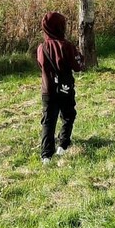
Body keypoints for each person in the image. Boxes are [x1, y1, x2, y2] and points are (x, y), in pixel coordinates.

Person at [37, 11, 85, 164]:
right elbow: (78, 66)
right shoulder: (67, 46)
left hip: (48, 90)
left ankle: (46, 154)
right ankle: (63, 144)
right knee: (68, 115)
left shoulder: (42, 47)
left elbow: (41, 65)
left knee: (48, 120)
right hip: (65, 88)